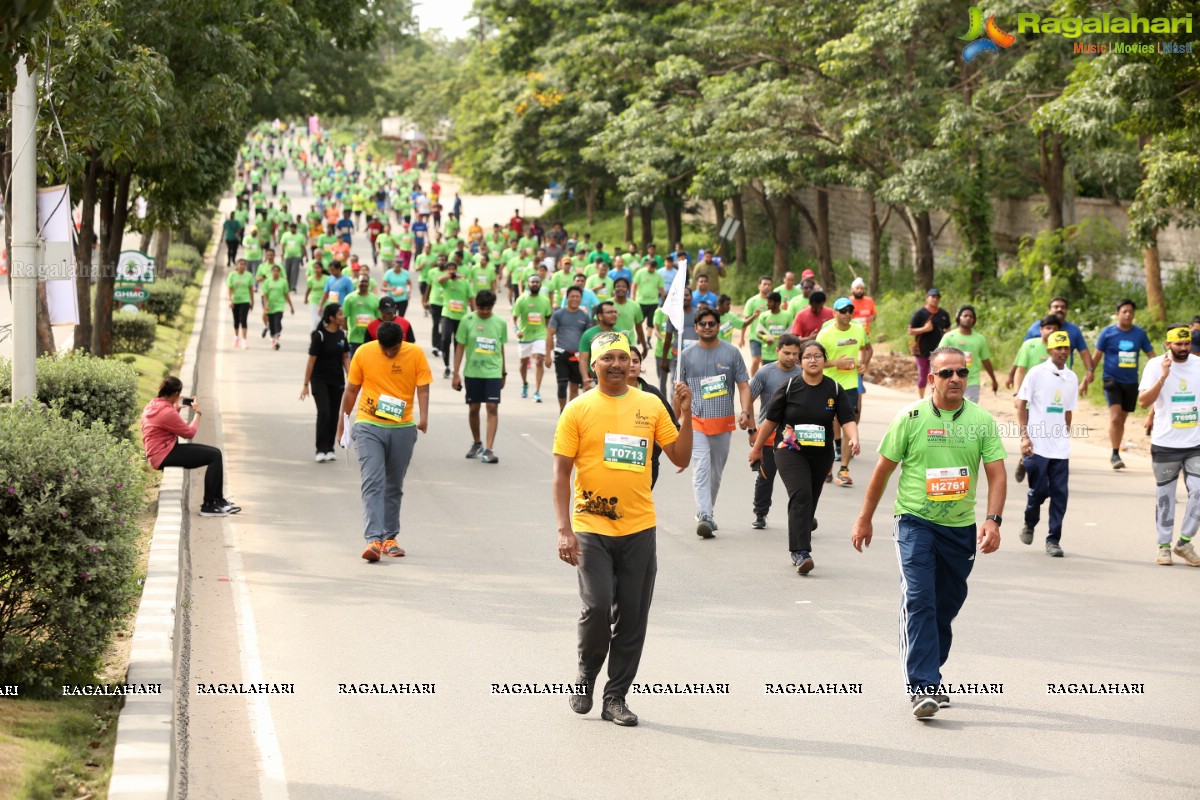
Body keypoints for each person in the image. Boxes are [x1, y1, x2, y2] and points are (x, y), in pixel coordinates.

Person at [850, 346, 1006, 719]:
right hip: (915, 522)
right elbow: (883, 470)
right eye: (947, 373)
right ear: (932, 377)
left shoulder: (981, 421)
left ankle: (931, 675)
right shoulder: (911, 417)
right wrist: (864, 517)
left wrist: (993, 520)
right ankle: (921, 687)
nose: (955, 379)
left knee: (946, 606)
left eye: (961, 373)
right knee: (920, 599)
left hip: (959, 527)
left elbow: (997, 474)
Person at [553, 332, 693, 728]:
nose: (616, 364)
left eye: (623, 357)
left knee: (632, 616)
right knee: (597, 607)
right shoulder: (577, 410)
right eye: (608, 358)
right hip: (590, 526)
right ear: (593, 365)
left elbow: (680, 456)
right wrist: (564, 529)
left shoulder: (650, 404)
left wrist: (686, 414)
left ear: (633, 363)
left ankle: (615, 697)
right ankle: (586, 674)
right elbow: (561, 472)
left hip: (638, 529)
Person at [749, 339, 858, 573]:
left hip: (821, 454)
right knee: (801, 495)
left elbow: (847, 418)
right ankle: (800, 552)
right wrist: (757, 447)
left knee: (811, 498)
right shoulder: (790, 387)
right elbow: (771, 420)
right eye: (807, 356)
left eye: (817, 356)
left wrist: (854, 438)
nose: (812, 360)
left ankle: (803, 526)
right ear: (800, 361)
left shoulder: (834, 389)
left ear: (824, 360)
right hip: (790, 450)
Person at [336, 322, 432, 562]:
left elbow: (423, 388)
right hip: (369, 426)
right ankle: (373, 540)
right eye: (385, 349)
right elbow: (351, 390)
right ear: (378, 342)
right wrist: (342, 426)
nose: (390, 353)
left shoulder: (415, 353)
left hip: (402, 427)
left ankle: (390, 537)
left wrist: (424, 417)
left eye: (394, 349)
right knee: (373, 481)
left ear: (403, 341)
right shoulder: (364, 352)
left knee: (393, 485)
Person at [678, 305, 752, 538]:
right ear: (696, 327)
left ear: (718, 326)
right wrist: (675, 421)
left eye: (712, 324)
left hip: (723, 423)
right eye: (703, 324)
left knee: (715, 472)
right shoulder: (686, 355)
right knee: (701, 468)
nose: (707, 327)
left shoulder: (731, 353)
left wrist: (745, 412)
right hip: (696, 421)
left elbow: (743, 385)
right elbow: (680, 391)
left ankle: (707, 510)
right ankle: (705, 515)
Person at [1138, 325, 1200, 567]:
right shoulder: (1155, 366)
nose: (1183, 348)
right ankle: (1163, 546)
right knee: (1166, 497)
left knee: (1198, 491)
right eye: (1178, 344)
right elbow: (1143, 401)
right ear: (1168, 344)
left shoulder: (1197, 365)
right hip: (1165, 444)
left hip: (1195, 443)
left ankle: (1184, 542)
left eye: (1186, 344)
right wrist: (1163, 377)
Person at [1017, 330, 1077, 557]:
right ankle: (1030, 521)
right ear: (1049, 350)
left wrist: (1066, 436)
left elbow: (1068, 411)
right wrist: (1024, 436)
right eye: (1058, 348)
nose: (1062, 352)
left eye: (1065, 348)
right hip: (1037, 444)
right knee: (1039, 491)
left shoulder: (1071, 377)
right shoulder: (1036, 373)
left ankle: (1053, 540)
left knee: (1060, 494)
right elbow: (1021, 405)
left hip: (1060, 447)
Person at [141, 377, 239, 517]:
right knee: (214, 455)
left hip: (158, 453)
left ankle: (219, 501)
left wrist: (177, 408)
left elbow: (165, 423)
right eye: (179, 394)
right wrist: (198, 413)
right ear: (175, 394)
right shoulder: (167, 412)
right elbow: (189, 433)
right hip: (164, 454)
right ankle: (209, 505)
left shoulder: (153, 405)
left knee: (215, 454)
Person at [747, 334, 803, 530]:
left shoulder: (802, 373)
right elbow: (748, 398)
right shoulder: (764, 373)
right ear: (778, 350)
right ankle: (760, 514)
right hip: (769, 434)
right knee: (765, 476)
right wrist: (752, 430)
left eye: (795, 354)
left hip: (794, 436)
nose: (791, 357)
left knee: (799, 479)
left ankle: (804, 514)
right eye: (787, 353)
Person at [816, 296, 872, 487]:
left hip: (850, 385)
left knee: (849, 424)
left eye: (850, 311)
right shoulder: (825, 334)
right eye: (843, 311)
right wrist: (834, 363)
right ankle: (827, 468)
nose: (847, 314)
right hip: (828, 385)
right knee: (828, 425)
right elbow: (814, 360)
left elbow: (867, 348)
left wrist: (864, 364)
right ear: (834, 313)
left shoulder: (858, 329)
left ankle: (844, 469)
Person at [1093, 299, 1155, 470]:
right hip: (1111, 379)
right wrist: (1089, 374)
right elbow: (1097, 355)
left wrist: (1159, 370)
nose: (1127, 314)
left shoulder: (1139, 334)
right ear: (1118, 314)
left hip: (1131, 382)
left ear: (1133, 315)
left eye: (1130, 312)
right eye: (1124, 311)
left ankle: (1117, 447)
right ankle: (1114, 453)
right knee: (1115, 417)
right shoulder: (1107, 333)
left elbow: (1151, 354)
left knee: (1122, 419)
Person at [453, 290, 507, 464]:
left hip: (493, 371)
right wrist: (455, 374)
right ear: (476, 305)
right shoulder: (467, 320)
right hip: (472, 372)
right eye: (482, 308)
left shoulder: (500, 322)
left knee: (492, 407)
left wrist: (503, 372)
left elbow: (501, 348)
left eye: (488, 308)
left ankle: (489, 449)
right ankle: (477, 442)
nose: (485, 312)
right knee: (473, 409)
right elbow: (460, 347)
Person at [301, 303, 350, 463]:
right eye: (340, 314)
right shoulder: (319, 336)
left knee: (334, 414)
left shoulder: (342, 335)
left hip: (337, 380)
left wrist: (351, 378)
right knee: (324, 412)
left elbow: (345, 358)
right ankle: (320, 449)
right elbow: (311, 362)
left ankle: (330, 448)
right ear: (332, 318)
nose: (343, 317)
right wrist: (305, 384)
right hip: (319, 380)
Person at [626, 346, 680, 488]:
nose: (632, 365)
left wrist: (679, 456)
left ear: (640, 365)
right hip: (617, 462)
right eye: (627, 360)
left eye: (636, 361)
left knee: (640, 506)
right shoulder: (609, 393)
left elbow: (674, 426)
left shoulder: (653, 394)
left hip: (648, 464)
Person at [1021, 296, 1095, 385]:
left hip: (1061, 376)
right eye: (1056, 307)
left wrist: (1090, 370)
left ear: (1067, 311)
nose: (1060, 309)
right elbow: (1023, 352)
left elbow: (1084, 352)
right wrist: (1013, 373)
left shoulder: (1074, 331)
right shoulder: (1036, 327)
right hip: (1036, 377)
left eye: (1063, 307)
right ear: (1049, 310)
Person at [939, 305, 998, 403]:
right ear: (958, 318)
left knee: (968, 411)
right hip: (950, 380)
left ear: (974, 320)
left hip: (972, 381)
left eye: (971, 316)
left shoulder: (980, 339)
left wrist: (994, 379)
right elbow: (938, 358)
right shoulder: (949, 337)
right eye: (965, 315)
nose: (968, 318)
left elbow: (986, 360)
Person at [547, 285, 592, 411]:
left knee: (574, 386)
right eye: (572, 296)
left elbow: (588, 337)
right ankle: (562, 411)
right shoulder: (558, 314)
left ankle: (569, 413)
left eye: (577, 297)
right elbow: (550, 334)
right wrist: (547, 355)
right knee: (562, 385)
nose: (575, 299)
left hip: (577, 356)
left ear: (581, 299)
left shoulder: (584, 316)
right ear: (567, 298)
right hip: (561, 354)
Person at [513, 274, 553, 402]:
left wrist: (548, 336)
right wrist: (516, 330)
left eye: (537, 282)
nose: (535, 284)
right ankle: (525, 383)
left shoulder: (545, 300)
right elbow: (514, 318)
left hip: (540, 334)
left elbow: (548, 320)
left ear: (540, 284)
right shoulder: (521, 299)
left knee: (539, 360)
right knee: (523, 363)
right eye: (532, 282)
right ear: (528, 284)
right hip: (525, 335)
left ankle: (537, 391)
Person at [907, 288, 951, 398]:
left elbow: (948, 329)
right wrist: (924, 329)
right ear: (927, 298)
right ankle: (921, 399)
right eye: (933, 297)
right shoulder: (919, 313)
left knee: (937, 375)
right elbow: (910, 331)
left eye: (937, 297)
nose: (935, 300)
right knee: (923, 375)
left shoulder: (943, 314)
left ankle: (934, 399)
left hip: (939, 351)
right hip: (922, 350)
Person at [741, 276, 774, 376]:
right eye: (764, 284)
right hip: (755, 337)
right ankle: (753, 382)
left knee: (767, 363)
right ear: (759, 286)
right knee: (756, 360)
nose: (767, 286)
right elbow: (745, 321)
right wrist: (741, 337)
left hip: (770, 338)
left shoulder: (774, 302)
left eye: (769, 284)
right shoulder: (752, 301)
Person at [754, 292, 795, 368]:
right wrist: (765, 338)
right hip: (767, 354)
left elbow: (791, 332)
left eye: (770, 302)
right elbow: (758, 333)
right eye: (767, 301)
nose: (767, 304)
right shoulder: (764, 315)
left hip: (782, 353)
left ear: (777, 303)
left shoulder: (788, 315)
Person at [261, 263, 294, 351]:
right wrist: (266, 304)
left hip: (279, 306)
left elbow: (286, 294)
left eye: (277, 271)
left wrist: (291, 306)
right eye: (274, 271)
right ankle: (273, 339)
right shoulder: (267, 282)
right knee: (271, 323)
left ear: (279, 272)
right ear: (271, 272)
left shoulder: (283, 282)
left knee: (277, 321)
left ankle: (276, 339)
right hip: (270, 306)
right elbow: (265, 295)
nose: (275, 272)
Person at [227, 258, 255, 350]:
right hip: (235, 300)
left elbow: (251, 289)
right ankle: (236, 337)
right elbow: (229, 288)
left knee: (243, 319)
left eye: (244, 264)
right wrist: (230, 300)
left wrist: (252, 301)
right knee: (236, 319)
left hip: (245, 300)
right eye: (240, 264)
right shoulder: (232, 275)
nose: (242, 266)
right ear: (237, 266)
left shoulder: (249, 275)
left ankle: (244, 340)